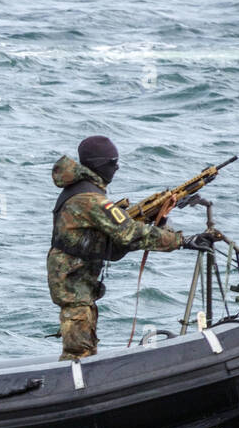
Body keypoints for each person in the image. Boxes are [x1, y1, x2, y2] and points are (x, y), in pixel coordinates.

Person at [48, 135, 189, 361]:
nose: (117, 167)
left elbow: (117, 234)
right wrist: (180, 241)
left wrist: (157, 218)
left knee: (84, 341)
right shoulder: (90, 199)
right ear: (100, 164)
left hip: (75, 278)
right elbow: (129, 232)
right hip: (73, 281)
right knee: (79, 351)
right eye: (113, 162)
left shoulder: (83, 190)